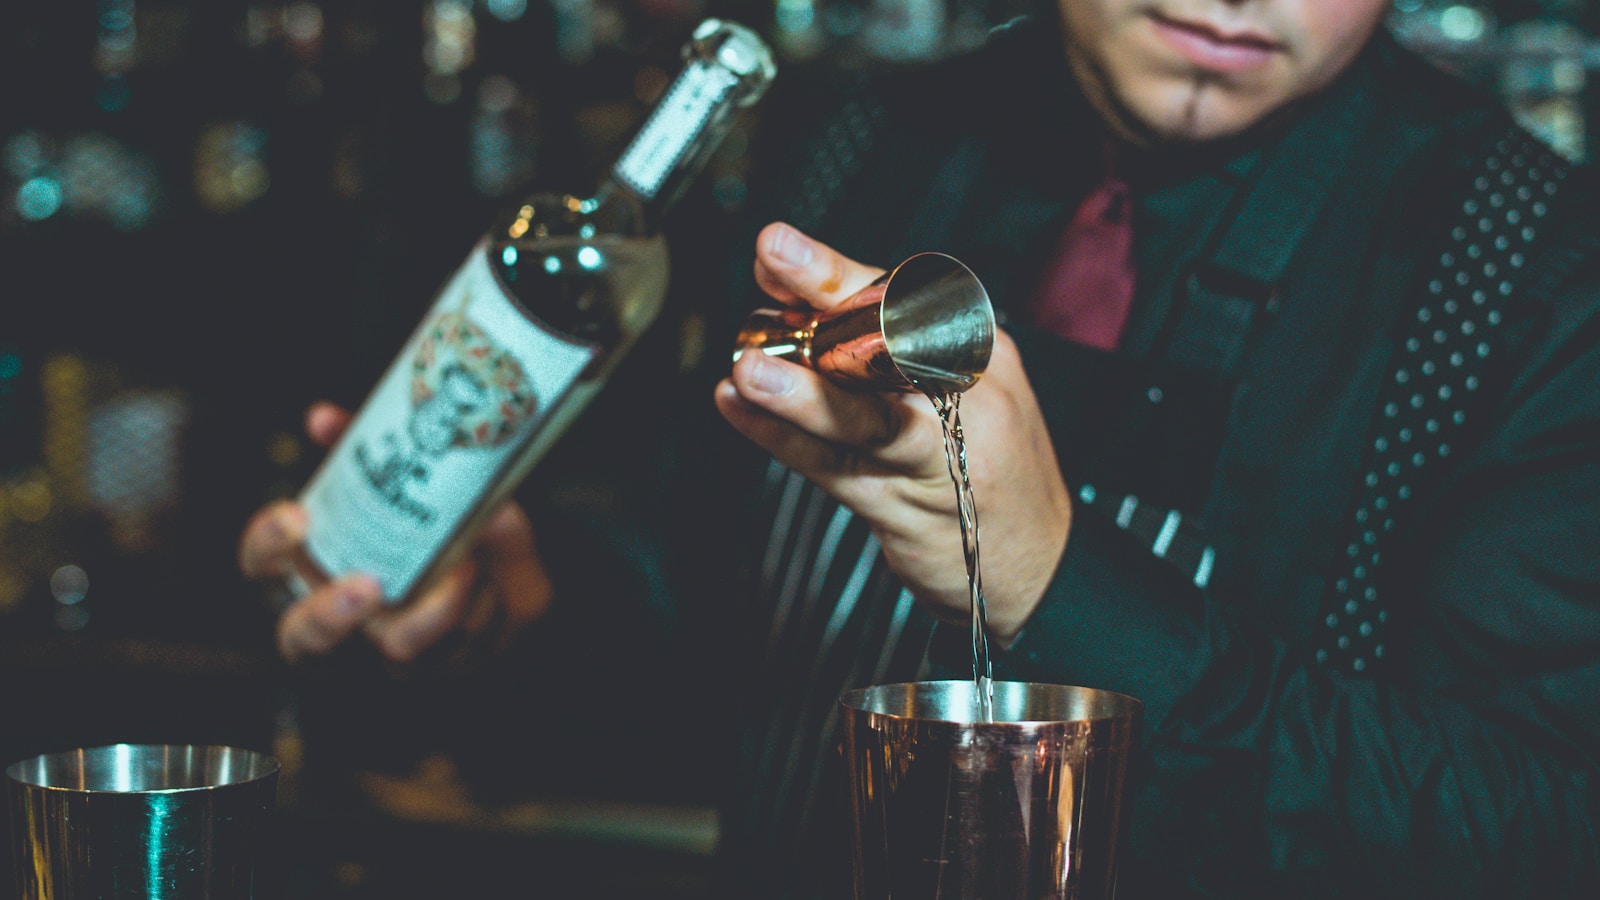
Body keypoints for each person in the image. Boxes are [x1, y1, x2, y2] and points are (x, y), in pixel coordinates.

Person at [240, 1, 1600, 897]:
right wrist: (521, 603)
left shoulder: (1527, 268)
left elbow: (1532, 822)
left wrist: (1060, 585)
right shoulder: (858, 142)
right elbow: (713, 624)